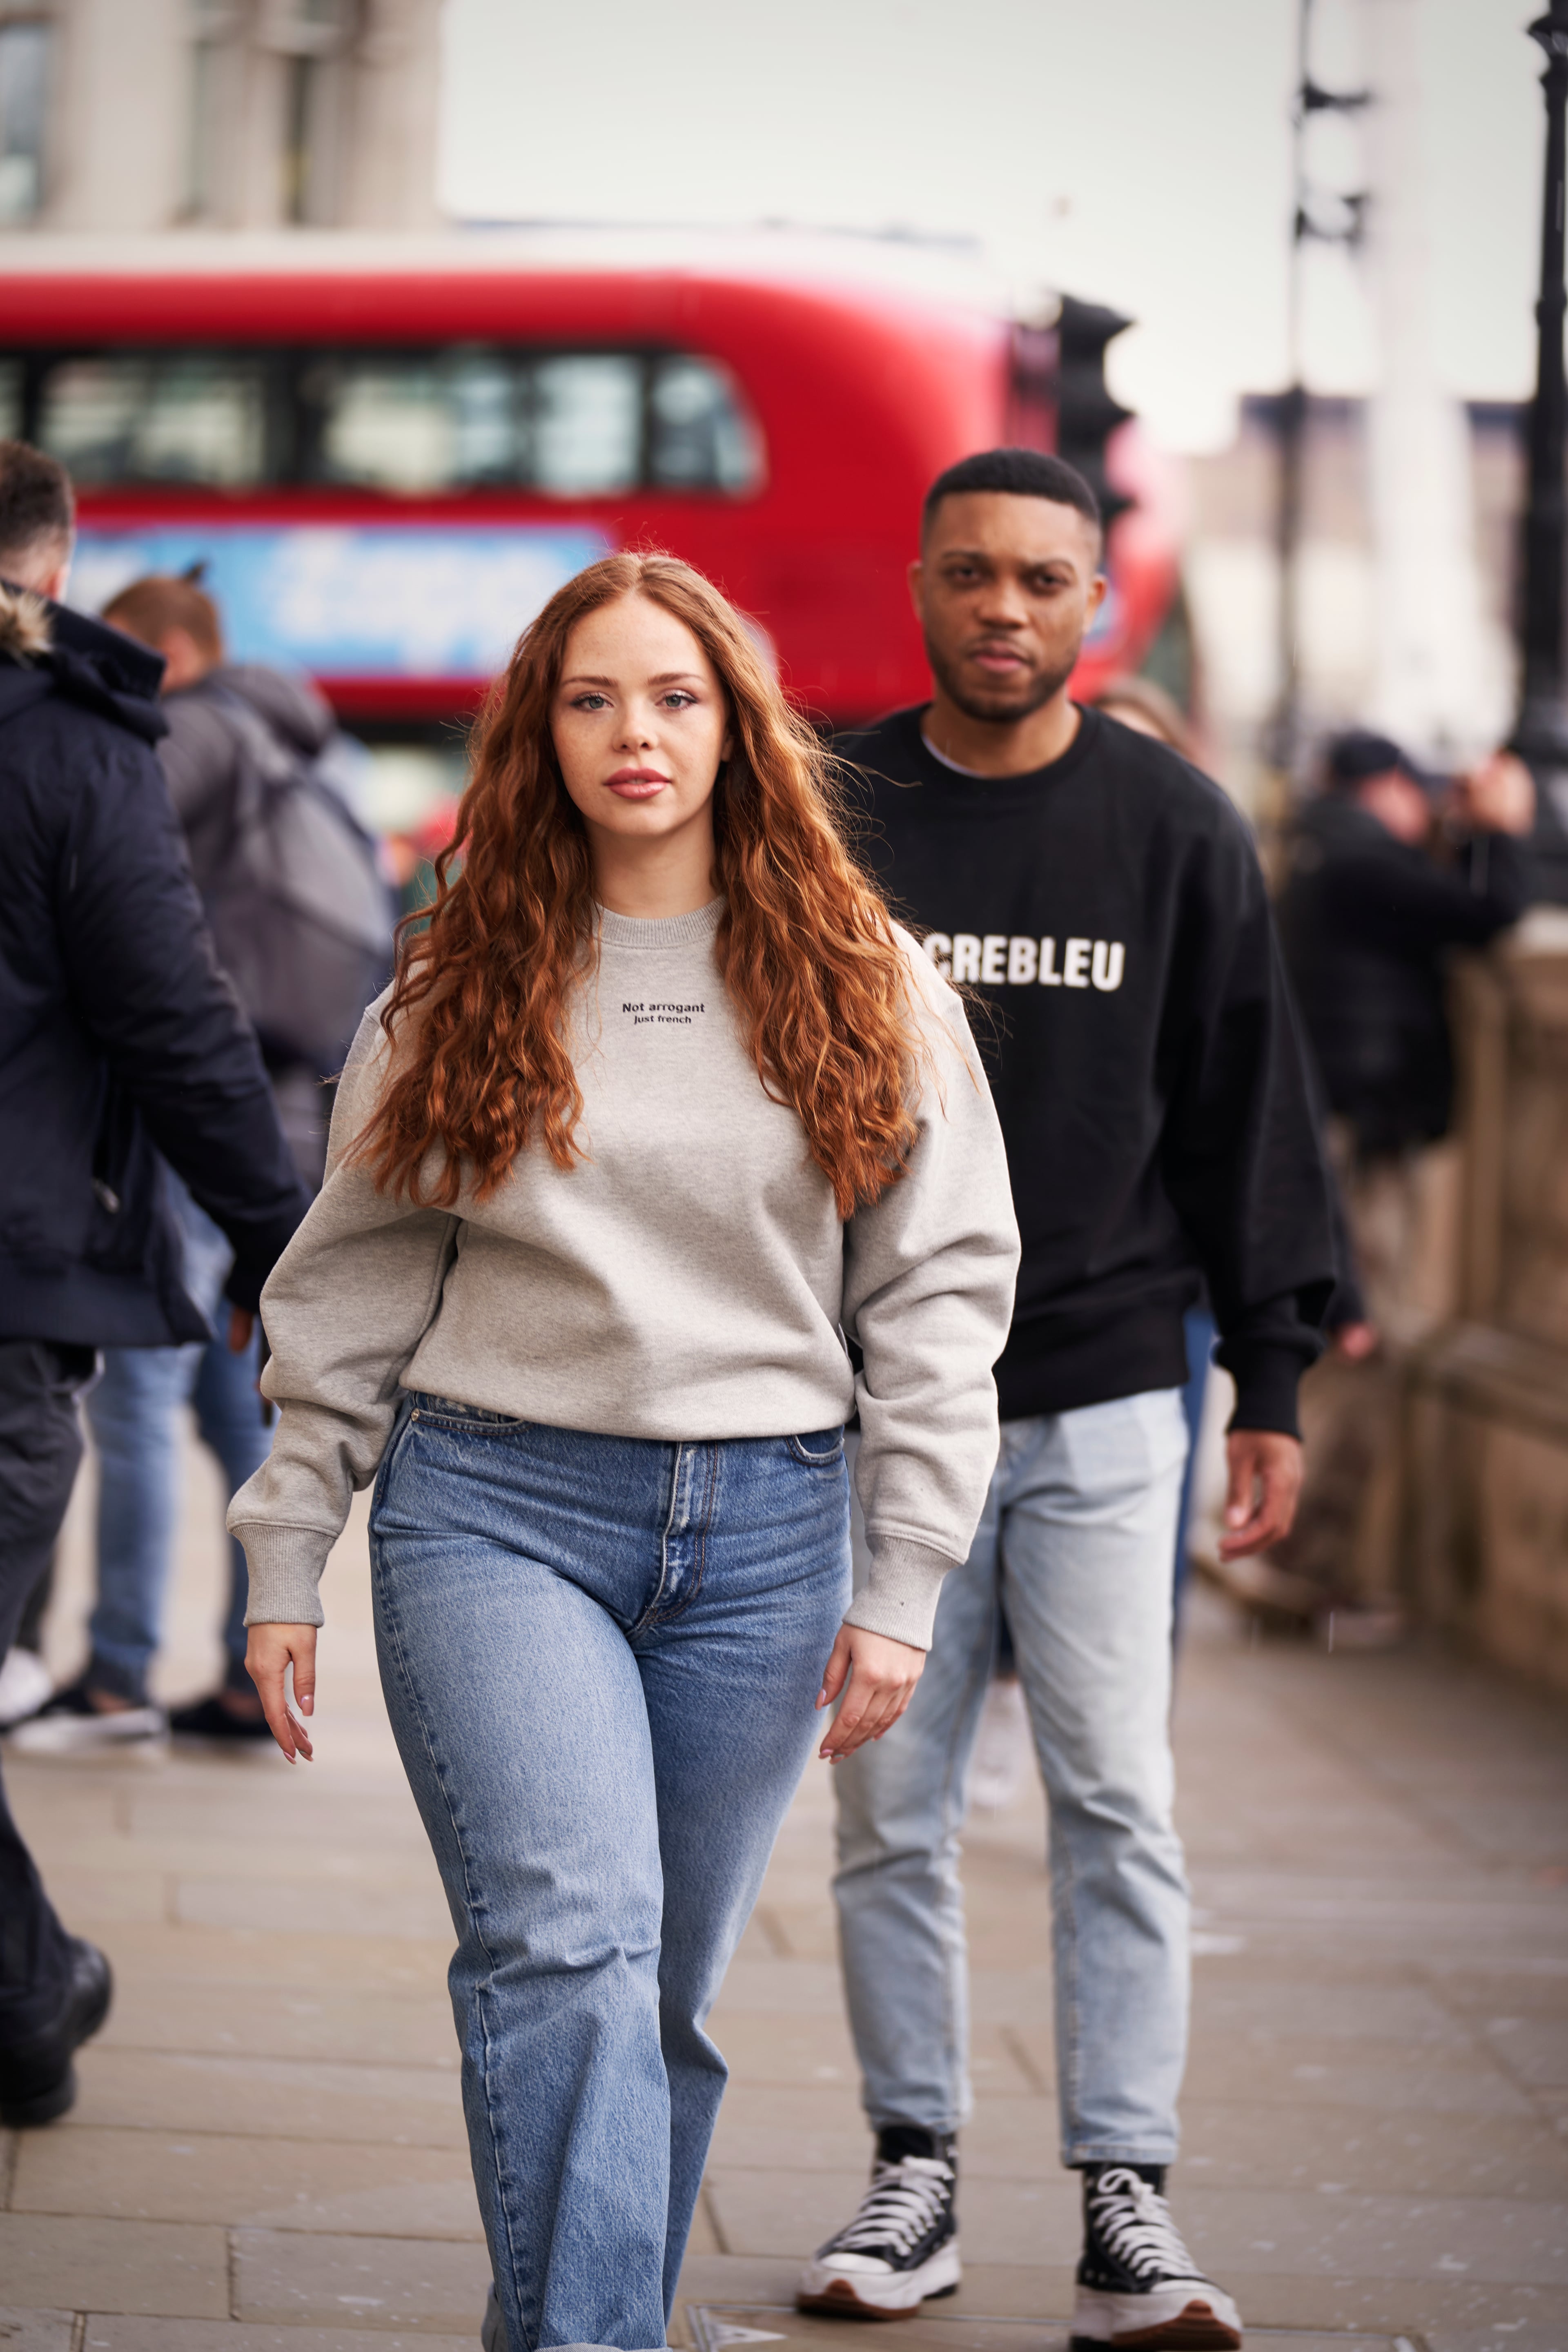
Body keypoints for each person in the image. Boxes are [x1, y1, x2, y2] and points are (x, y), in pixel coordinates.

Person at [227, 552, 1020, 2352]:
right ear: (542, 733)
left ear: (740, 727)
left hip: (769, 1528)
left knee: (653, 1994)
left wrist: (902, 1583)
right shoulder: (461, 984)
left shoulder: (859, 978)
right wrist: (289, 1548)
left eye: (674, 696)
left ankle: (593, 2319)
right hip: (497, 1510)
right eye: (592, 699)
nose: (635, 735)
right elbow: (348, 1286)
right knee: (568, 1951)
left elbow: (942, 1294)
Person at [799, 450, 1337, 2351]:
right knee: (888, 1810)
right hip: (879, 1400)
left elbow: (1243, 1103)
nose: (1003, 609)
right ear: (923, 590)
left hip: (1114, 1387)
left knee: (1119, 1795)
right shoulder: (838, 811)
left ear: (1094, 602)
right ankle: (915, 2165)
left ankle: (1126, 2202)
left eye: (1041, 578)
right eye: (970, 576)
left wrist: (1268, 1367)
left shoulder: (1177, 826)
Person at [0, 439, 309, 2123]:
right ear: (50, 569)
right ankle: (36, 1989)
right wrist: (280, 1242)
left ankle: (30, 2002)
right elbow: (174, 1018)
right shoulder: (70, 742)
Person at [16, 573, 391, 1747]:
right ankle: (244, 1674)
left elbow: (100, 870)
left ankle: (118, 1670)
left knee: (133, 1404)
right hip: (274, 1112)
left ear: (169, 653)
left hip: (188, 1119)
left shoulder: (194, 734)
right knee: (245, 1404)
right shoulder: (310, 754)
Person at [1266, 727, 1534, 1622]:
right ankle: (1308, 1570)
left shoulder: (1316, 852)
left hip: (1340, 1122)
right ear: (1383, 789)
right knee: (1361, 1342)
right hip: (1368, 1131)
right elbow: (1493, 914)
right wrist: (1499, 831)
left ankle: (1296, 1557)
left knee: (1342, 1338)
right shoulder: (1362, 859)